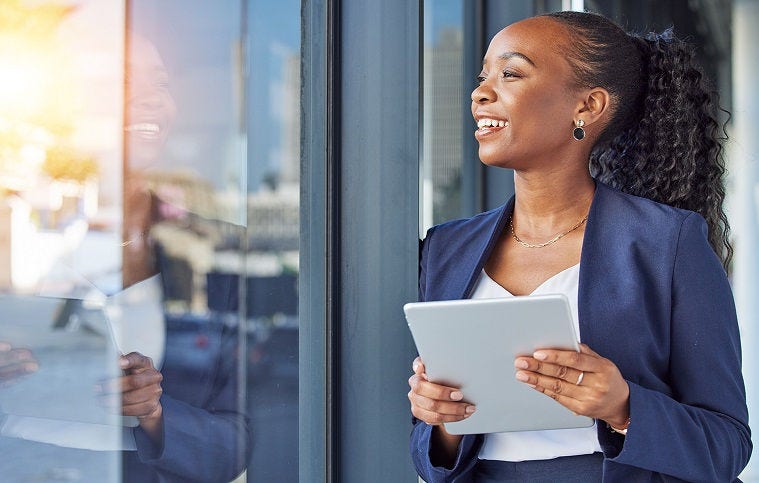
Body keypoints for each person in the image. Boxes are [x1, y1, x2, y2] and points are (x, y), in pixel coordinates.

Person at [408, 11, 751, 482]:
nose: (480, 92)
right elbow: (432, 455)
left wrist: (623, 407)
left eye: (510, 73)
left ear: (588, 106)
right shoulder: (445, 248)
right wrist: (440, 419)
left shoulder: (667, 242)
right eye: (483, 74)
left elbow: (726, 446)